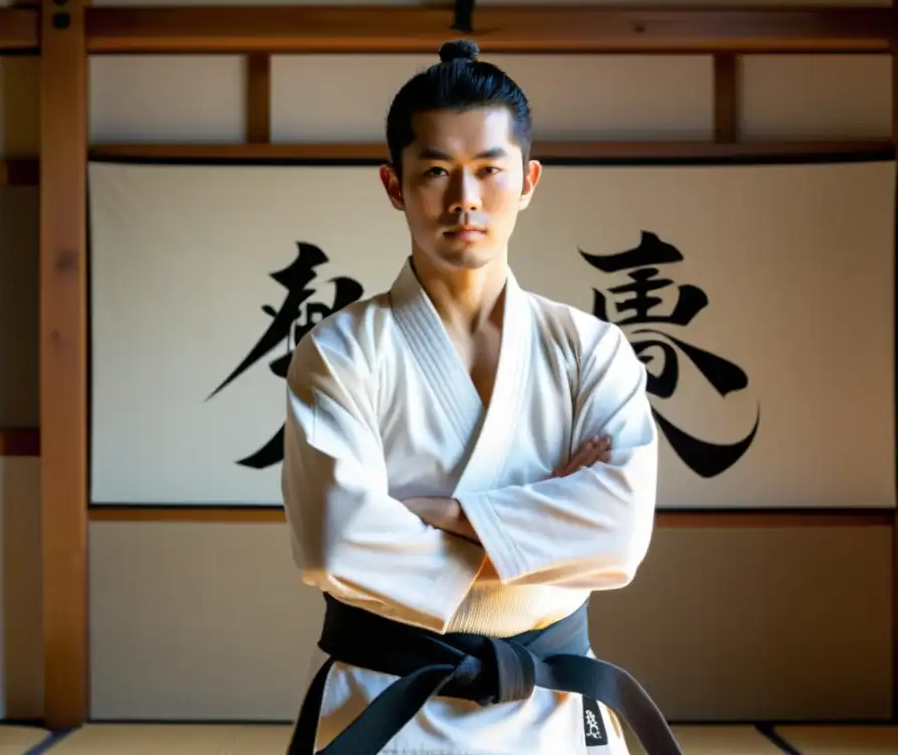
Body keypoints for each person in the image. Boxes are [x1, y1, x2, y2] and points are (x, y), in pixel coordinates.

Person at [281, 39, 678, 755]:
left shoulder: (590, 350)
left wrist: (448, 514)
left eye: (488, 170)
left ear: (526, 180)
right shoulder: (340, 353)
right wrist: (543, 520)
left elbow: (618, 536)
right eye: (436, 171)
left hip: (553, 702)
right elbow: (336, 542)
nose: (465, 199)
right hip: (388, 697)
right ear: (394, 185)